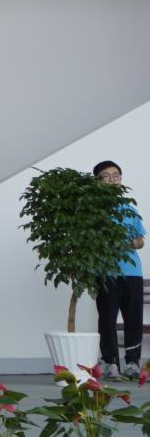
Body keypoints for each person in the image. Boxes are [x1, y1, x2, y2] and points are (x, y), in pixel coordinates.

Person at [94, 161, 144, 378]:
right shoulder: (91, 210)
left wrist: (124, 243)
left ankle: (133, 364)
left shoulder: (129, 209)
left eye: (116, 176)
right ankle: (110, 363)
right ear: (97, 181)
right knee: (107, 320)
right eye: (106, 176)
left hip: (132, 272)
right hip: (105, 272)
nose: (112, 180)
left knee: (133, 320)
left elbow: (140, 241)